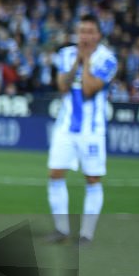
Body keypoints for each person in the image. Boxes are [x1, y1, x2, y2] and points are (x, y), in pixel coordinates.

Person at [46, 15, 117, 244]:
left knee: (92, 178)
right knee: (55, 174)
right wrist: (77, 61)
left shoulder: (108, 60)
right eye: (82, 31)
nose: (84, 36)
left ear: (98, 35)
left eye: (89, 31)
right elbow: (62, 87)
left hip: (92, 130)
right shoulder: (66, 54)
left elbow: (88, 90)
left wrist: (86, 61)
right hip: (65, 127)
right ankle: (61, 229)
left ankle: (86, 234)